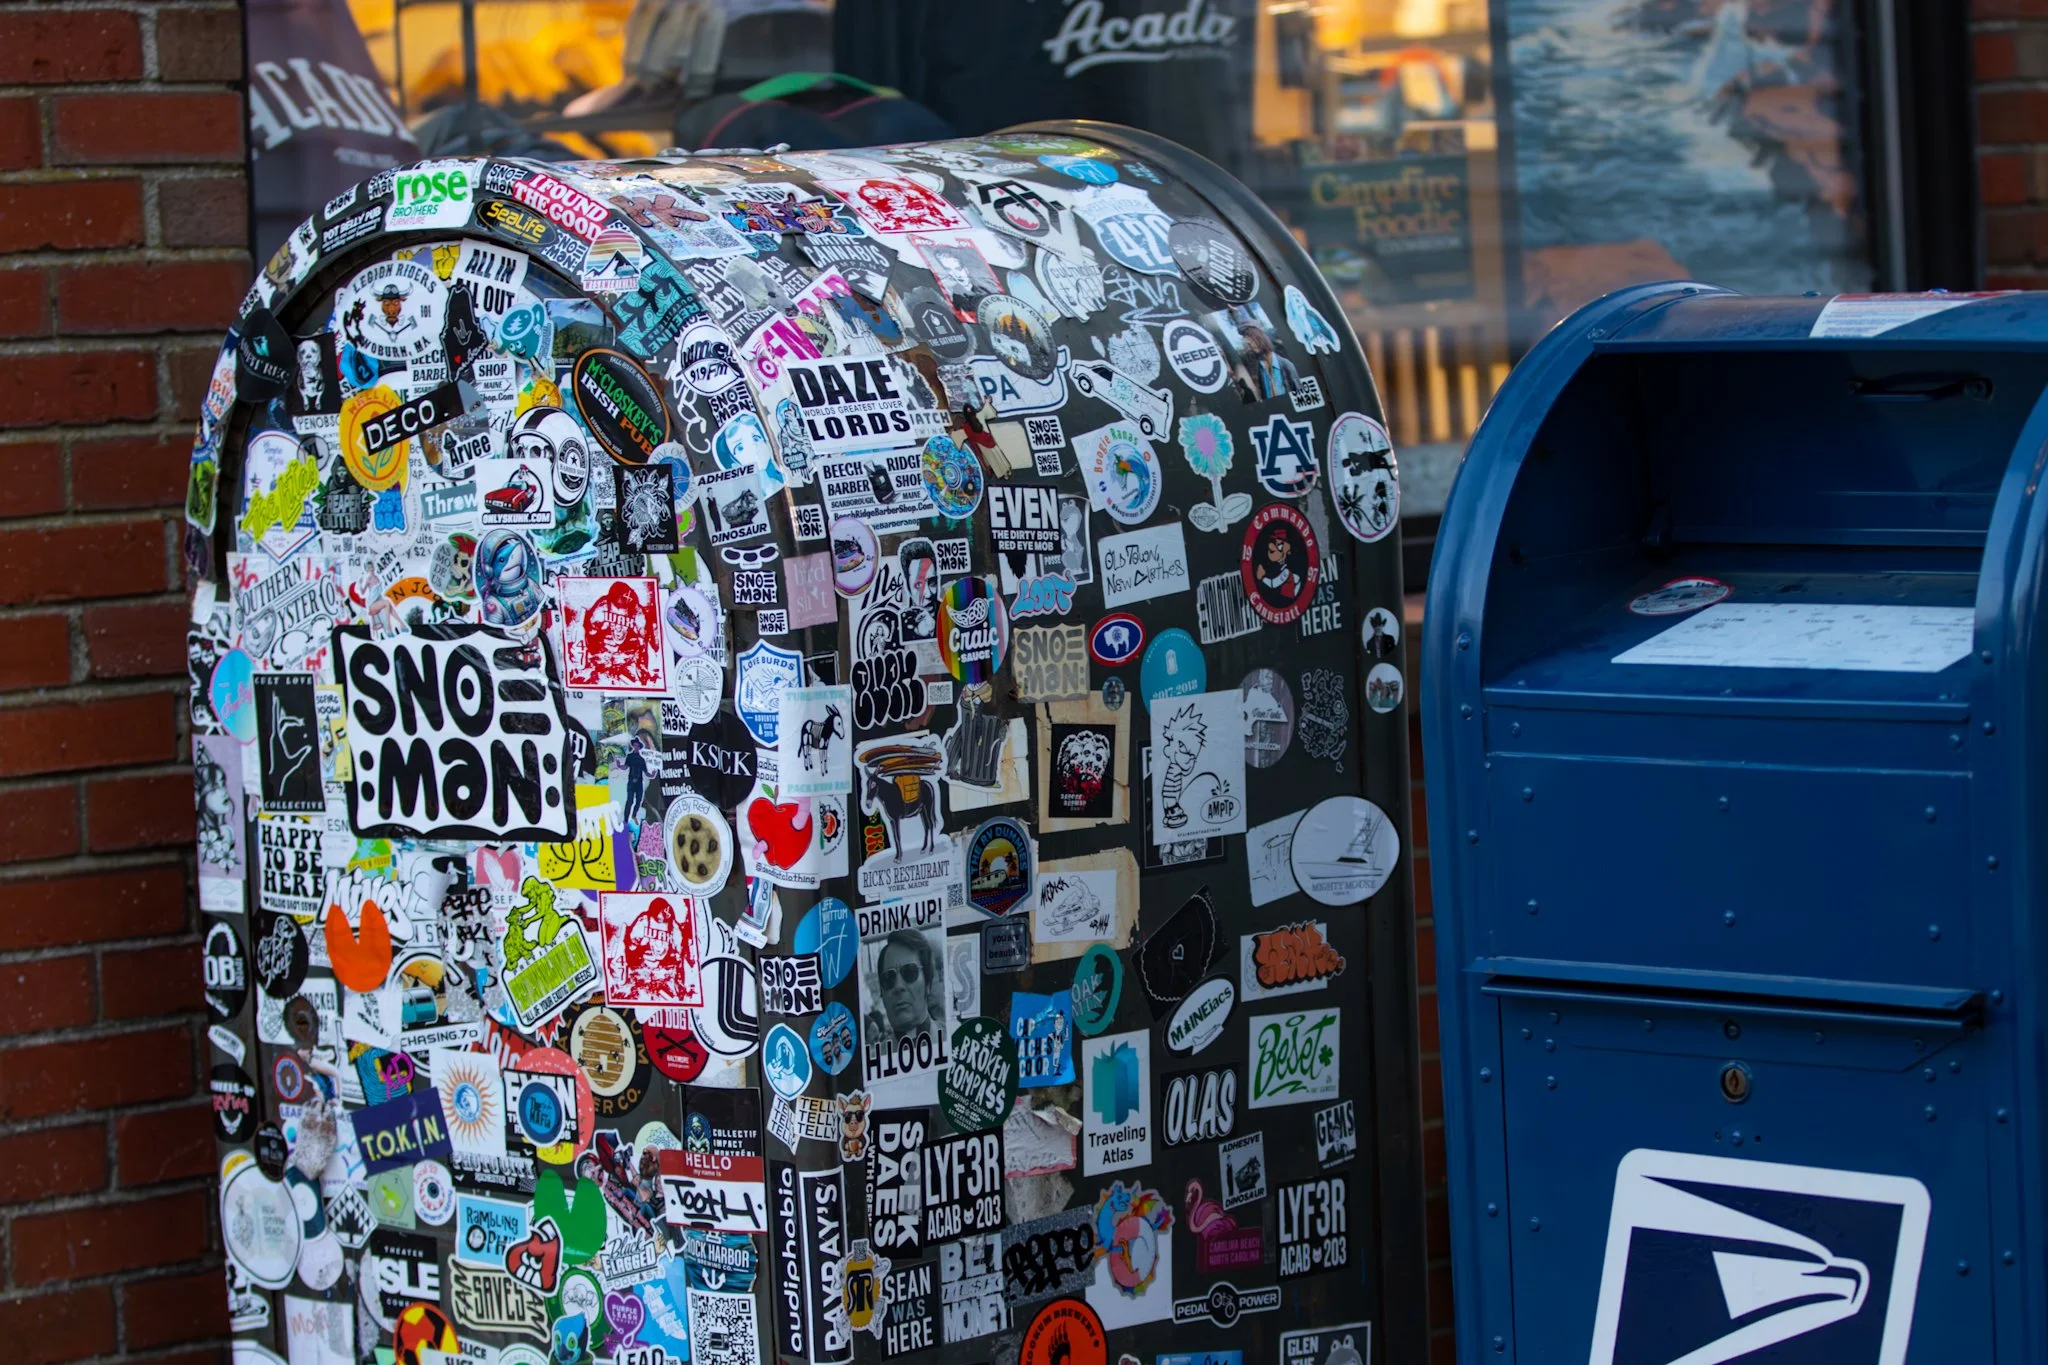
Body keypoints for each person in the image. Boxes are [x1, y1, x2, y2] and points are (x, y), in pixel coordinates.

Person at [874, 929, 938, 1042]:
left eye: (909, 972)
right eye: (889, 978)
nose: (898, 986)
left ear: (927, 984)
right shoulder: (876, 1052)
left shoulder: (954, 1037)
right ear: (882, 995)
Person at [1235, 321, 1301, 403]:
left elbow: (1300, 398)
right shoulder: (1260, 368)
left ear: (1262, 337)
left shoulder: (1287, 366)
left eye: (1252, 338)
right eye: (1248, 342)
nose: (1250, 344)